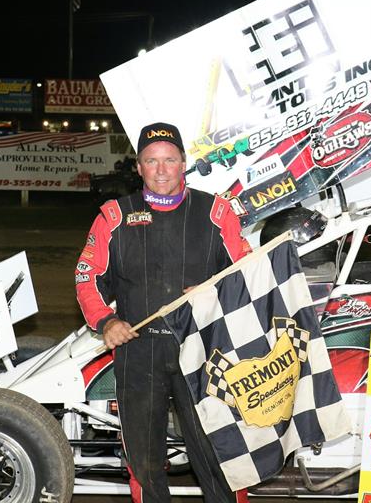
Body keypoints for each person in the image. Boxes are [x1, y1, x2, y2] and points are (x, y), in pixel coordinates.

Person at [75, 121, 250, 503]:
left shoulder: (217, 212)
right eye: (151, 161)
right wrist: (107, 322)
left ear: (184, 162)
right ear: (138, 167)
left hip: (206, 352)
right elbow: (87, 278)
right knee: (144, 461)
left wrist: (215, 293)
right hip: (139, 352)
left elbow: (250, 275)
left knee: (222, 454)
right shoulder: (113, 216)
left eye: (169, 160)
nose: (160, 169)